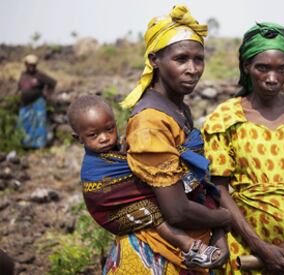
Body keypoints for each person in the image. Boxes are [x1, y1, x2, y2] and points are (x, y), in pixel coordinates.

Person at [103, 5, 231, 274]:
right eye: (181, 59)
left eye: (199, 59)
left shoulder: (178, 109)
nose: (193, 69)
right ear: (155, 60)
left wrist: (217, 231)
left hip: (185, 251)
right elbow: (176, 211)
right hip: (155, 254)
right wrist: (226, 218)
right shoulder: (151, 120)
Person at [202, 22, 284, 274]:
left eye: (282, 69)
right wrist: (259, 246)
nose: (272, 78)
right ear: (247, 66)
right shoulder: (225, 119)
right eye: (262, 68)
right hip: (246, 246)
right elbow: (218, 188)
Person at [67, 95, 222, 268]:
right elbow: (113, 185)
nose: (104, 138)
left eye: (109, 129)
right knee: (152, 212)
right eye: (93, 135)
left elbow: (137, 164)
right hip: (112, 208)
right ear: (78, 138)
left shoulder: (119, 146)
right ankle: (189, 246)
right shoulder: (94, 166)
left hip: (130, 199)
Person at [17, 54, 56, 149]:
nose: (32, 67)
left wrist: (47, 93)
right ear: (26, 64)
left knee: (38, 124)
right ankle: (25, 144)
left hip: (37, 103)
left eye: (34, 65)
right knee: (24, 123)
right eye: (30, 65)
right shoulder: (23, 74)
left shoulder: (39, 75)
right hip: (25, 104)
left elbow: (52, 82)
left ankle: (39, 145)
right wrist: (17, 93)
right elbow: (19, 86)